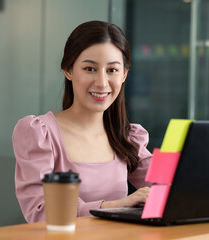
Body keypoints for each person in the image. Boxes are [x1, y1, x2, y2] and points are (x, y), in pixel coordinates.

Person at [12, 20, 152, 223]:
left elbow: (170, 186)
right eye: (90, 69)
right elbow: (40, 212)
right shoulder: (39, 133)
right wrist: (114, 206)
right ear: (68, 70)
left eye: (112, 70)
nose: (102, 83)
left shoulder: (128, 137)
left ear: (124, 75)